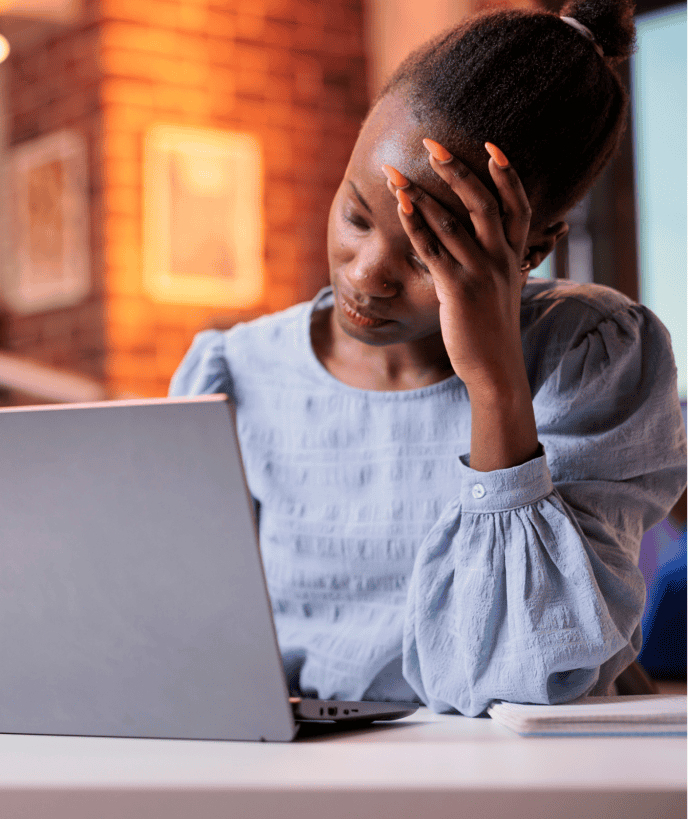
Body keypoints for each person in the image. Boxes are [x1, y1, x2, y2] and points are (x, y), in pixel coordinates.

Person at [169, 0, 687, 716]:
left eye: (425, 253)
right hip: (308, 768)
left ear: (531, 251)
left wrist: (496, 382)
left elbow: (527, 673)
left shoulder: (592, 358)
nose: (365, 273)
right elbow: (183, 632)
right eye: (355, 213)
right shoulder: (234, 375)